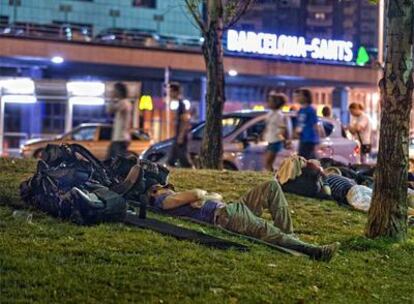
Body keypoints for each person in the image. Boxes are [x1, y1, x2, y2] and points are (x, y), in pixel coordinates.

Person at [148, 180, 340, 262]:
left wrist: (204, 197)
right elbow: (199, 193)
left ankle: (289, 235)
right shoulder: (162, 200)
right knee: (265, 229)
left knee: (271, 186)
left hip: (230, 207)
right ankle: (314, 251)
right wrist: (201, 195)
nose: (169, 188)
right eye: (164, 187)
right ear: (154, 192)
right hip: (226, 216)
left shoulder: (174, 197)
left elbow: (216, 195)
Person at [167, 82, 194, 168]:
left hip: (181, 136)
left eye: (170, 91)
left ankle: (191, 171)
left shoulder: (181, 104)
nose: (169, 94)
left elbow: (185, 121)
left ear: (176, 92)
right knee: (171, 159)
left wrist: (181, 136)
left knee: (183, 159)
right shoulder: (179, 103)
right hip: (179, 135)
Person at [263, 93, 291, 172]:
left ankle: (272, 179)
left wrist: (283, 140)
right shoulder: (270, 113)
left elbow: (282, 129)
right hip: (270, 140)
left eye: (271, 101)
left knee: (268, 163)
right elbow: (267, 126)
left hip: (275, 141)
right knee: (268, 163)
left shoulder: (279, 115)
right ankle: (271, 178)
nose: (268, 103)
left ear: (276, 103)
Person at [107, 82, 132, 159]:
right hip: (119, 138)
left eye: (114, 90)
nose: (113, 92)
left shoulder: (124, 103)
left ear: (119, 91)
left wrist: (111, 98)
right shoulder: (124, 103)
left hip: (120, 138)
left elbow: (110, 110)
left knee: (115, 162)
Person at [295, 89, 320, 159]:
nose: (298, 97)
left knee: (304, 161)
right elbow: (300, 124)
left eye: (300, 95)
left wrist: (319, 139)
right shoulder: (301, 110)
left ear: (306, 97)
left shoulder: (310, 110)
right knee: (304, 160)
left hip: (309, 139)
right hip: (302, 139)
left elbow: (315, 125)